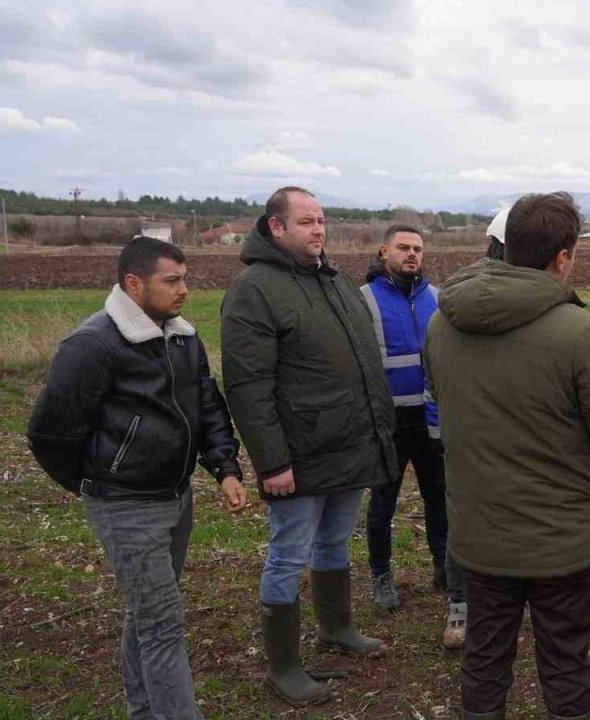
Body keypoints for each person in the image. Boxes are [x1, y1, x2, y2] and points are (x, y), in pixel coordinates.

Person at [424, 191, 590, 720]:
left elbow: (443, 397)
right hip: (557, 538)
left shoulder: (441, 322)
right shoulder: (574, 329)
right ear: (562, 257)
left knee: (484, 658)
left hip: (480, 530)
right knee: (565, 663)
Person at [27, 237, 247, 719]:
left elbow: (207, 405)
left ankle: (145, 709)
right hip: (125, 505)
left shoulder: (183, 337)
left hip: (176, 498)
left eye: (184, 278)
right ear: (133, 283)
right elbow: (48, 430)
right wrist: (95, 482)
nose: (184, 289)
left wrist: (225, 469)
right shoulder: (94, 344)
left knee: (147, 614)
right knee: (163, 625)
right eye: (172, 280)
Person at [221, 186, 397, 706]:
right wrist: (272, 462)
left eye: (321, 221)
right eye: (306, 222)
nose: (318, 230)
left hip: (349, 445)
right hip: (298, 455)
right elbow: (248, 386)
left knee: (334, 542)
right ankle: (284, 666)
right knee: (287, 554)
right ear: (275, 227)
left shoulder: (336, 281)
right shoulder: (254, 290)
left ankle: (335, 629)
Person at [360, 223, 467, 649]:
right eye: (403, 247)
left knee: (438, 497)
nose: (411, 255)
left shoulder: (438, 298)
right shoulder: (363, 299)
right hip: (386, 423)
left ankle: (442, 567)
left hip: (430, 419)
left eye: (418, 249)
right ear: (384, 250)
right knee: (382, 503)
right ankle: (381, 575)